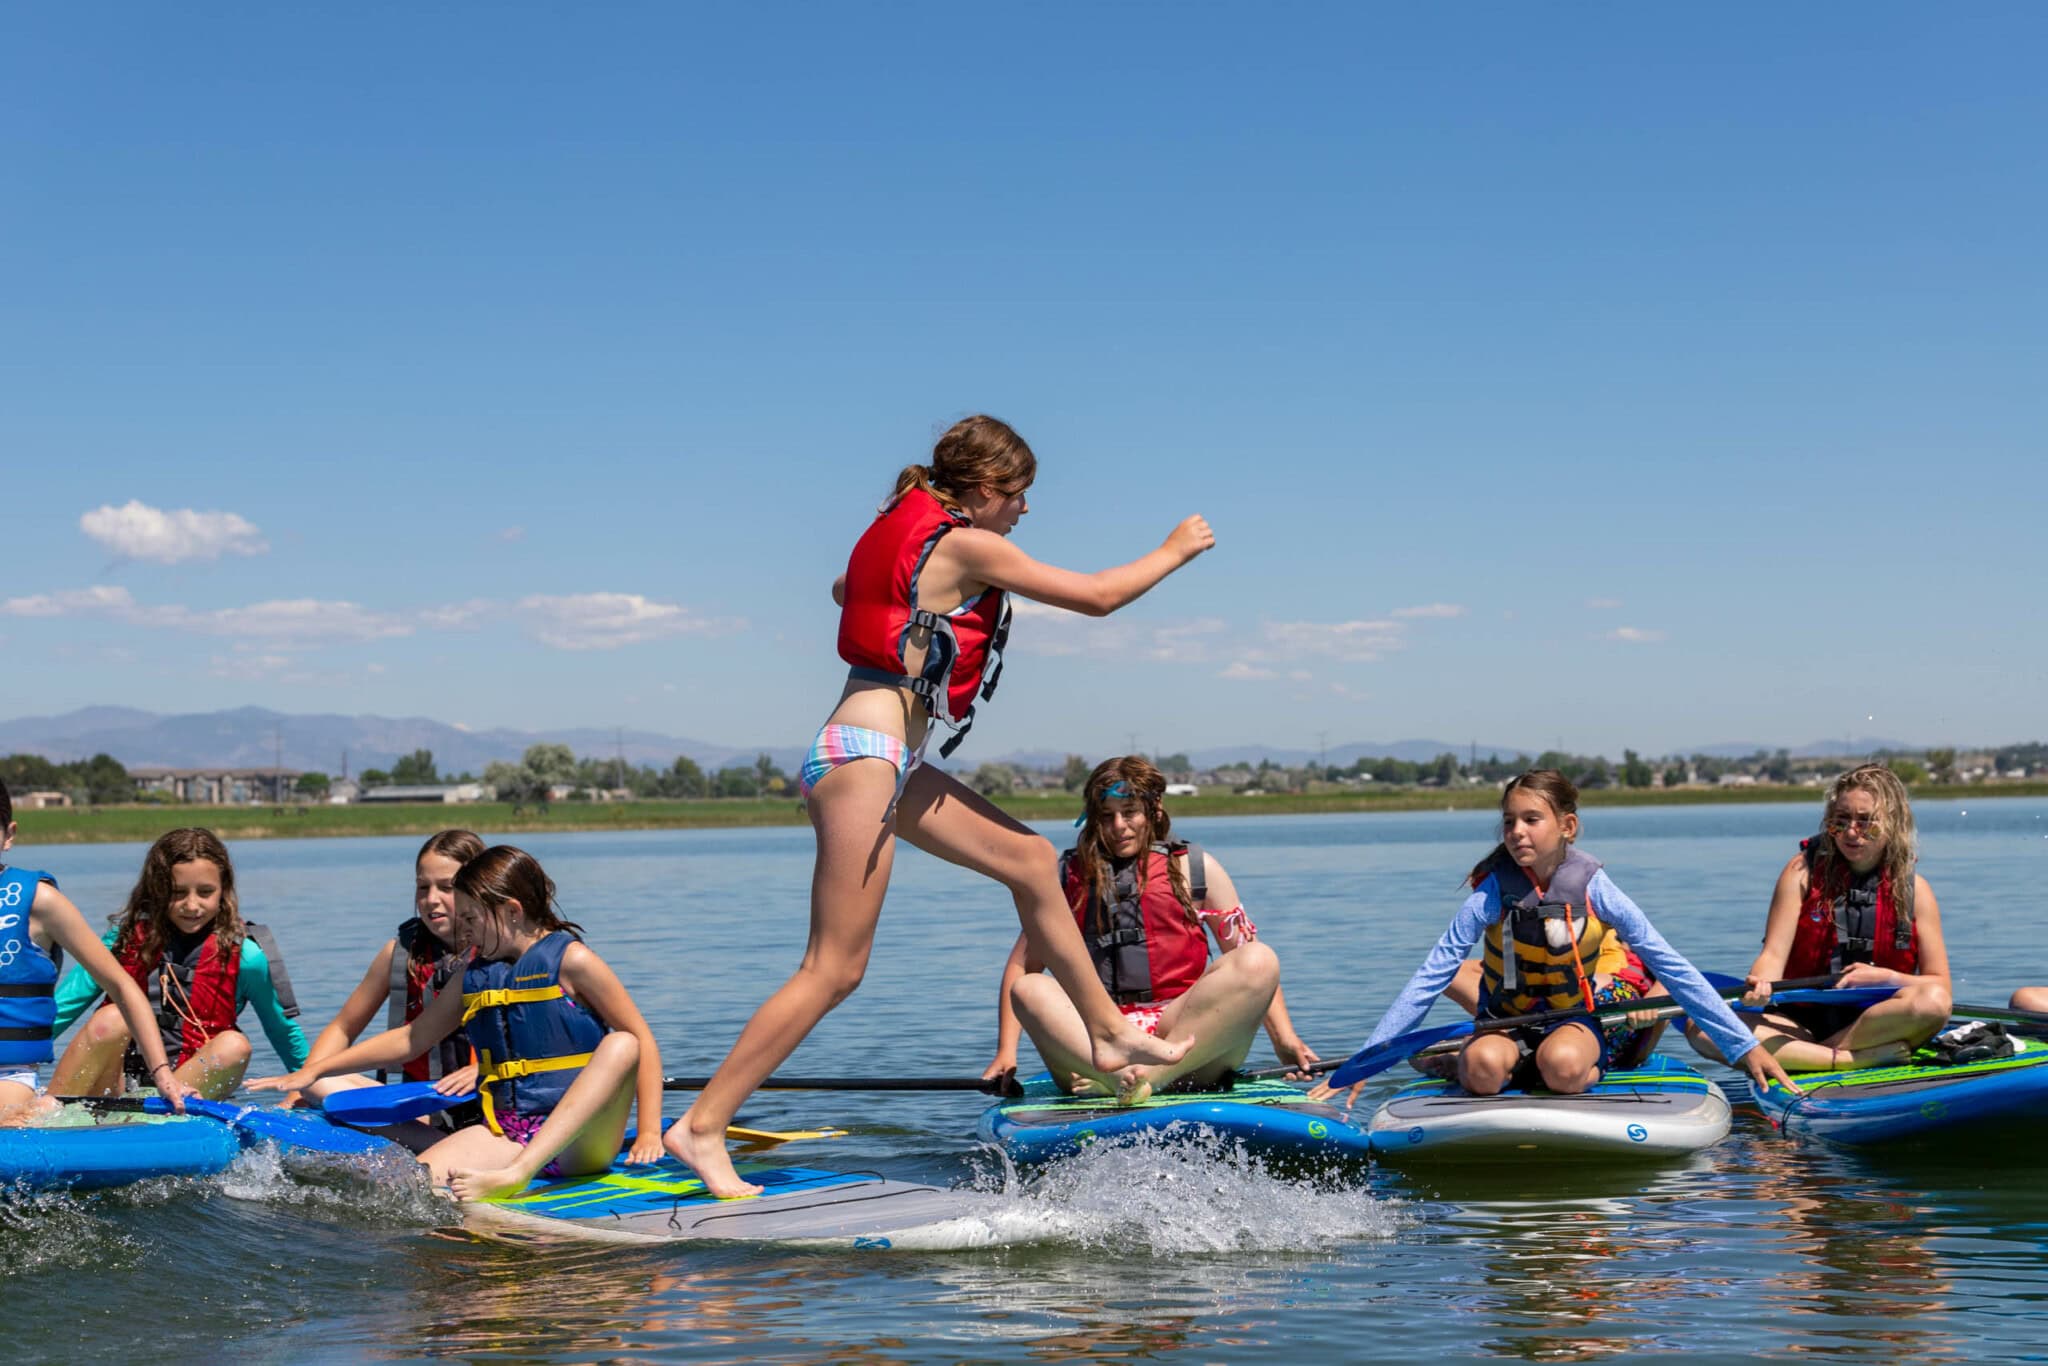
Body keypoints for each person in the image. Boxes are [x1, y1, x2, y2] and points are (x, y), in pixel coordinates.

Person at [668, 414, 1212, 1196]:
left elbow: (843, 589)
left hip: (891, 758)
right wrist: (1176, 548)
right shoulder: (963, 541)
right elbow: (1097, 596)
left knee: (1030, 860)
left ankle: (1105, 1033)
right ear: (987, 490)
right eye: (1019, 495)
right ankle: (701, 1126)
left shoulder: (902, 529)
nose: (1024, 510)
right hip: (863, 757)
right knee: (834, 969)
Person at [1314, 769, 1795, 1105]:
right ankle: (1493, 1066)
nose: (1516, 832)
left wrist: (1741, 1045)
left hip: (1574, 1023)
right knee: (1481, 1071)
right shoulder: (1492, 893)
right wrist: (1361, 1066)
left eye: (1531, 820)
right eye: (1508, 821)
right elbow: (1430, 976)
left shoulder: (1594, 888)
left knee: (1564, 1067)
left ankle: (1563, 1067)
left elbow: (1669, 964)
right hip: (1506, 1022)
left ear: (1567, 826)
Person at [252, 845, 665, 1200]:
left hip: (584, 1142)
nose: (464, 931)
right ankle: (507, 1180)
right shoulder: (475, 973)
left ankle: (519, 1174)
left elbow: (642, 1041)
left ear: (512, 911)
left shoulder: (573, 961)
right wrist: (318, 1068)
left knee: (622, 1043)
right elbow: (413, 1038)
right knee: (408, 1188)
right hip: (509, 1133)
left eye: (471, 919)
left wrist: (648, 1132)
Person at [984, 756, 1318, 1095]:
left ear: (1153, 811)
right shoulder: (1065, 880)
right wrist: (1006, 1052)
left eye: (1129, 812)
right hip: (1098, 1043)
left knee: (1259, 959)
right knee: (1028, 988)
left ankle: (1147, 1080)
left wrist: (1284, 1039)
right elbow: (1021, 967)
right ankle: (1121, 1079)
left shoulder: (1196, 870)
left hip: (1187, 1042)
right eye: (1107, 816)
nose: (1119, 826)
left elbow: (1249, 963)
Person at [1687, 763, 1951, 1072]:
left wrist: (1886, 978)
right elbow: (1773, 955)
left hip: (1880, 1023)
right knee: (1702, 1027)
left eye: (1866, 822)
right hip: (1796, 1023)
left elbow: (1940, 984)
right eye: (1840, 821)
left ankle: (1805, 1059)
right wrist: (1759, 985)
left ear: (1893, 824)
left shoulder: (1916, 891)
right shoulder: (1800, 873)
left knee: (1934, 1002)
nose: (1851, 832)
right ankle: (1847, 1060)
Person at [51, 828, 306, 1100]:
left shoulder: (247, 957)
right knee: (112, 1018)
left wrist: (307, 1085)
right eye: (178, 892)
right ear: (156, 889)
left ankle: (153, 1122)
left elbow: (282, 1029)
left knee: (234, 1045)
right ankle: (46, 1114)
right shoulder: (121, 941)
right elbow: (64, 1006)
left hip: (186, 1090)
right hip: (113, 1086)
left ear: (224, 890)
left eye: (205, 892)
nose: (192, 905)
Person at [0, 779, 194, 1122]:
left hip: (7, 1077)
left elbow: (121, 987)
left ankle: (49, 1112)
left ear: (9, 834)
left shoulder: (39, 902)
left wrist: (163, 1074)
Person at [288, 830, 483, 1145]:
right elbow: (343, 1027)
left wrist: (485, 1071)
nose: (431, 899)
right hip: (422, 1105)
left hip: (487, 1100)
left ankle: (446, 1148)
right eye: (423, 887)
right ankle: (432, 1142)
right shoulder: (401, 954)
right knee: (317, 1085)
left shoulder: (499, 956)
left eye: (447, 887)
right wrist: (298, 1088)